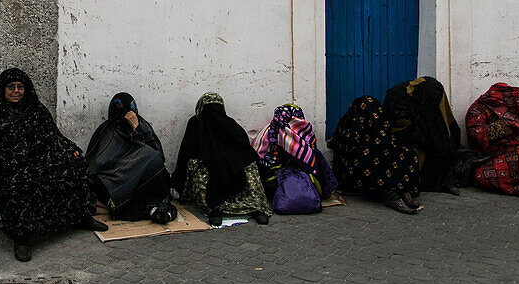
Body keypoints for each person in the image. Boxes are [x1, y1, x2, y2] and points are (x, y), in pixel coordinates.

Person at [0, 68, 107, 262]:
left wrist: (70, 149)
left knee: (73, 166)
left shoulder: (34, 109)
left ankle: (80, 217)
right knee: (22, 182)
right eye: (11, 87)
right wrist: (16, 161)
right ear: (2, 90)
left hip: (37, 160)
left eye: (20, 87)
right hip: (6, 167)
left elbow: (53, 135)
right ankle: (22, 239)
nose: (16, 91)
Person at [172, 92, 272, 227]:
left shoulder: (226, 123)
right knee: (203, 169)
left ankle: (255, 208)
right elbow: (188, 152)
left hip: (231, 166)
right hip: (211, 167)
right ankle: (217, 209)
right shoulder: (197, 124)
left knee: (248, 167)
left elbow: (243, 147)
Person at [86, 92, 176, 223]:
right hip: (114, 180)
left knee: (152, 159)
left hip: (139, 179)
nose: (123, 116)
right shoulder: (107, 130)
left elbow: (157, 156)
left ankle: (153, 208)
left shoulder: (142, 126)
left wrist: (137, 128)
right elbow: (95, 164)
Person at [328, 96, 423, 214]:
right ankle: (391, 197)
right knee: (369, 157)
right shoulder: (349, 127)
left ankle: (403, 191)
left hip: (374, 153)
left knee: (407, 152)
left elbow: (385, 141)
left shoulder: (377, 124)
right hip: (352, 174)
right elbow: (350, 150)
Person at [383, 77, 462, 194]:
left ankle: (444, 182)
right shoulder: (399, 96)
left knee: (442, 139)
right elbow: (398, 126)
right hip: (404, 135)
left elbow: (445, 123)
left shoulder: (432, 94)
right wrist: (420, 132)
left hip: (425, 126)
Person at [252, 104, 338, 213]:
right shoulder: (304, 130)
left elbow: (257, 155)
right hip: (299, 179)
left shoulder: (269, 130)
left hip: (274, 183)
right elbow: (313, 161)